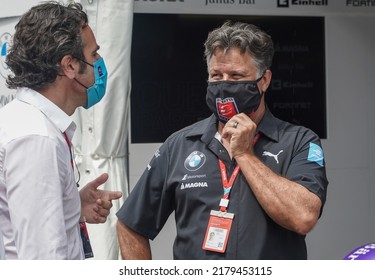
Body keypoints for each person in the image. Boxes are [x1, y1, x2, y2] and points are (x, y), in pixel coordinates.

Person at [116, 21, 328, 259]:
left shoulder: (298, 142)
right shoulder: (180, 144)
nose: (225, 84)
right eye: (217, 75)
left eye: (236, 76)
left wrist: (245, 155)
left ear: (264, 80)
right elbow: (130, 225)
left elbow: (303, 217)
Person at [0, 1, 122, 259]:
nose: (99, 62)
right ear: (69, 66)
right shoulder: (36, 138)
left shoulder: (30, 122)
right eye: (93, 55)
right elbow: (43, 259)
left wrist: (72, 206)